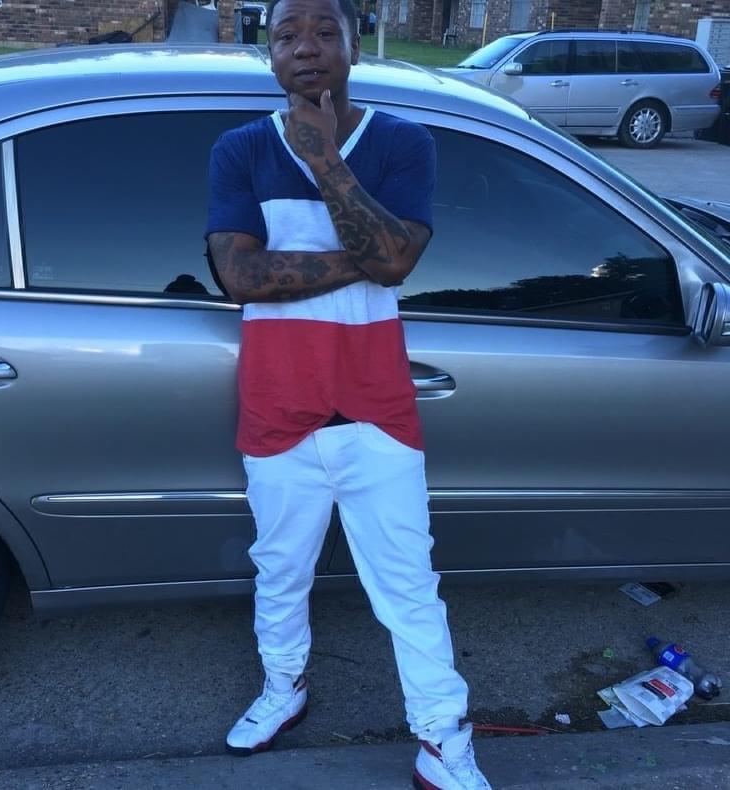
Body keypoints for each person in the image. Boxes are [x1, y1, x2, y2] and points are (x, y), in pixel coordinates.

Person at [205, 0, 491, 787]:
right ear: (267, 54)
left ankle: (442, 738)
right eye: (286, 35)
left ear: (355, 46)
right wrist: (368, 258)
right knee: (280, 571)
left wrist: (326, 160)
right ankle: (283, 689)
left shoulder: (402, 143)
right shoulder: (240, 149)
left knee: (409, 585)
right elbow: (241, 276)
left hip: (377, 407)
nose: (306, 48)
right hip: (278, 407)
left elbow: (394, 264)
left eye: (325, 32)